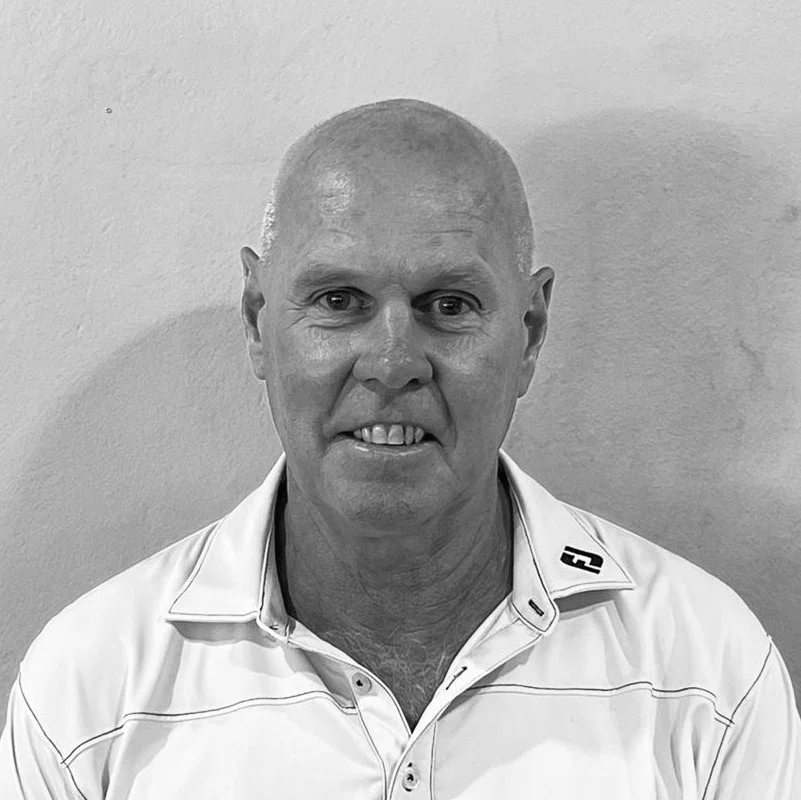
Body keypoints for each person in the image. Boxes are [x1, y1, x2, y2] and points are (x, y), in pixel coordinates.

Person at [1, 98, 799, 799]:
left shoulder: (702, 669)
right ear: (255, 319)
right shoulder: (95, 685)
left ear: (528, 331)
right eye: (338, 300)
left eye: (447, 304)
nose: (391, 363)